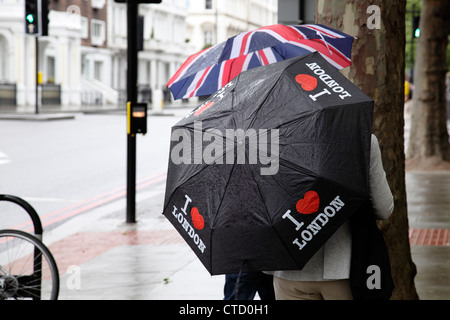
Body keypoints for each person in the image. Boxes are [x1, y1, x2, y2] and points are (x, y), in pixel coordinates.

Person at [271, 134, 394, 300]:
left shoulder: (275, 140)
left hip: (289, 268)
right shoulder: (361, 138)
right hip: (343, 269)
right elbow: (383, 208)